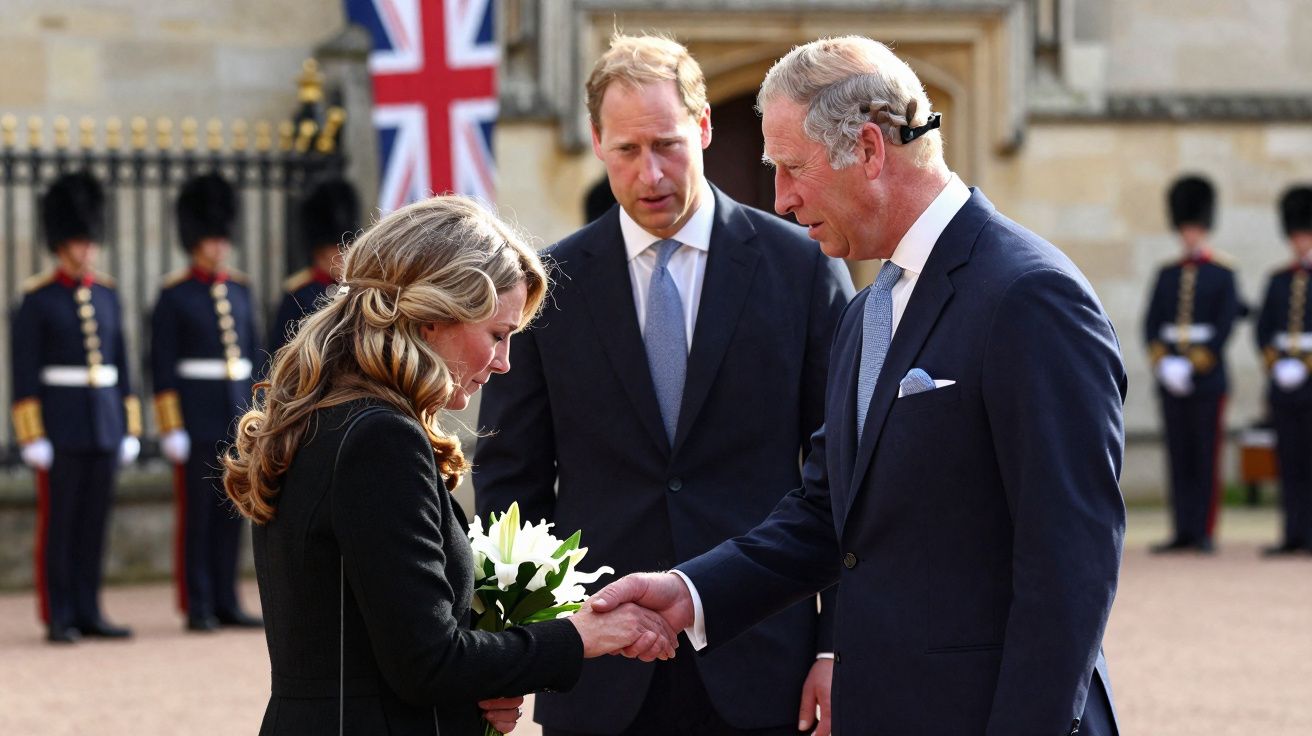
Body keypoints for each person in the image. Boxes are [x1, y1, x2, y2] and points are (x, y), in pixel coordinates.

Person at [590, 36, 1127, 736]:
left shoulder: (1029, 296)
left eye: (791, 168)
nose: (781, 199)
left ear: (870, 149)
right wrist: (689, 594)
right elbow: (827, 512)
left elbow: (1070, 567)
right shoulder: (871, 306)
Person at [474, 33, 853, 736]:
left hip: (763, 658)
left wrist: (836, 647)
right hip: (598, 672)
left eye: (668, 144)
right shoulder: (544, 290)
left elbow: (845, 472)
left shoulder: (801, 270)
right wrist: (516, 647)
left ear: (703, 128)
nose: (650, 174)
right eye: (626, 150)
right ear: (595, 142)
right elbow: (511, 488)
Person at [220, 194, 678, 735]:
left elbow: (391, 649)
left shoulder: (333, 417)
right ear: (435, 317)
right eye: (498, 336)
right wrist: (579, 636)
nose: (504, 362)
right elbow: (428, 663)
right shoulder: (380, 437)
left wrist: (486, 684)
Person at [10, 171, 140, 643]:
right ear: (60, 245)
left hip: (102, 423)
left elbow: (121, 365)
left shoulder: (105, 294)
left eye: (89, 241)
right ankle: (59, 613)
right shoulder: (38, 299)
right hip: (60, 427)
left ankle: (89, 609)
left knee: (93, 523)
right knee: (60, 524)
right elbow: (25, 374)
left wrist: (129, 425)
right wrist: (31, 434)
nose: (86, 250)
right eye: (78, 242)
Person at [150, 172, 262, 632]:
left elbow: (254, 359)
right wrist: (170, 424)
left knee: (230, 512)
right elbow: (161, 364)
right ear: (194, 241)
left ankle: (225, 598)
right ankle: (196, 602)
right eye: (210, 239)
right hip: (194, 417)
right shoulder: (174, 296)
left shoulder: (239, 290)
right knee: (196, 514)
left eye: (221, 238)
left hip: (234, 414)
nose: (218, 247)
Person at [1144, 175, 1241, 553]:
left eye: (1195, 228)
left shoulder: (1223, 273)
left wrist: (1194, 364)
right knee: (1179, 455)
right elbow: (1152, 324)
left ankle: (1203, 530)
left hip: (1207, 379)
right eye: (1185, 228)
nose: (1190, 235)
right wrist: (1164, 363)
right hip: (1171, 376)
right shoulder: (1167, 273)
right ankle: (1182, 528)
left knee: (1204, 455)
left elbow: (1225, 325)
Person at [1254, 185, 1312, 556]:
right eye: (1295, 234)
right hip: (1285, 385)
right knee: (1289, 463)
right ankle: (1293, 532)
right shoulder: (1279, 279)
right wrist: (1278, 364)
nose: (1300, 241)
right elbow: (1264, 329)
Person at [268, 177, 359, 357]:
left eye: (347, 246)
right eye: (338, 249)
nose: (345, 255)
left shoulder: (352, 289)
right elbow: (280, 350)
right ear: (321, 252)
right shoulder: (298, 294)